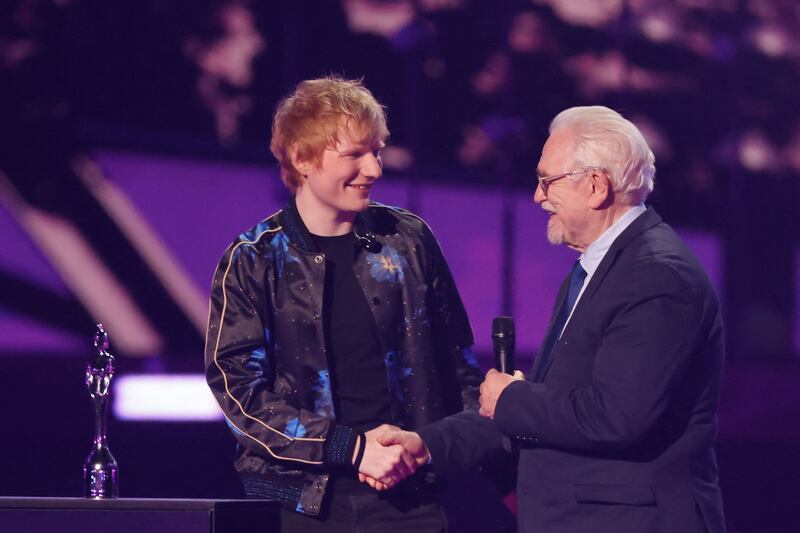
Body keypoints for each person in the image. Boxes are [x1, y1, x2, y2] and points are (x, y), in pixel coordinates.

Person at [370, 106, 726, 533]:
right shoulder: (598, 268)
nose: (537, 196)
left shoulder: (657, 275)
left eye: (547, 180)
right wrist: (425, 446)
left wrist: (512, 399)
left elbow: (616, 416)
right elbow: (548, 406)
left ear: (596, 186)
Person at [204, 76, 483, 532]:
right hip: (298, 504)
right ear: (302, 159)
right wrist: (350, 448)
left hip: (409, 499)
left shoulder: (409, 240)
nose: (373, 169)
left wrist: (456, 450)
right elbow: (239, 393)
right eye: (354, 154)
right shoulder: (253, 258)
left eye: (377, 151)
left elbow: (458, 367)